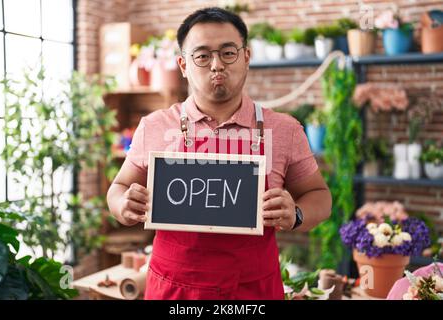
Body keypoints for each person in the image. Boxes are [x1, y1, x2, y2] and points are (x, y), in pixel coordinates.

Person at [107, 7, 332, 300]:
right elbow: (118, 189)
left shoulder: (285, 129)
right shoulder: (154, 126)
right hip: (175, 289)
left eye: (228, 53)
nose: (216, 65)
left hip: (252, 289)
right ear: (183, 65)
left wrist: (297, 214)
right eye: (202, 55)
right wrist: (123, 204)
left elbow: (320, 195)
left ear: (246, 57)